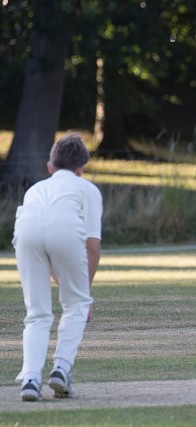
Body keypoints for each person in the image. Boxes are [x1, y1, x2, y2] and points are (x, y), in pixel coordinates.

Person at [13, 134, 103, 401]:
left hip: (25, 233)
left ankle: (30, 380)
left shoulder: (35, 189)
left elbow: (46, 245)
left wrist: (71, 285)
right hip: (65, 231)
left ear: (50, 166)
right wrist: (84, 294)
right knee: (76, 305)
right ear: (81, 168)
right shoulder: (87, 189)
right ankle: (61, 369)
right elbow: (92, 246)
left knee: (37, 313)